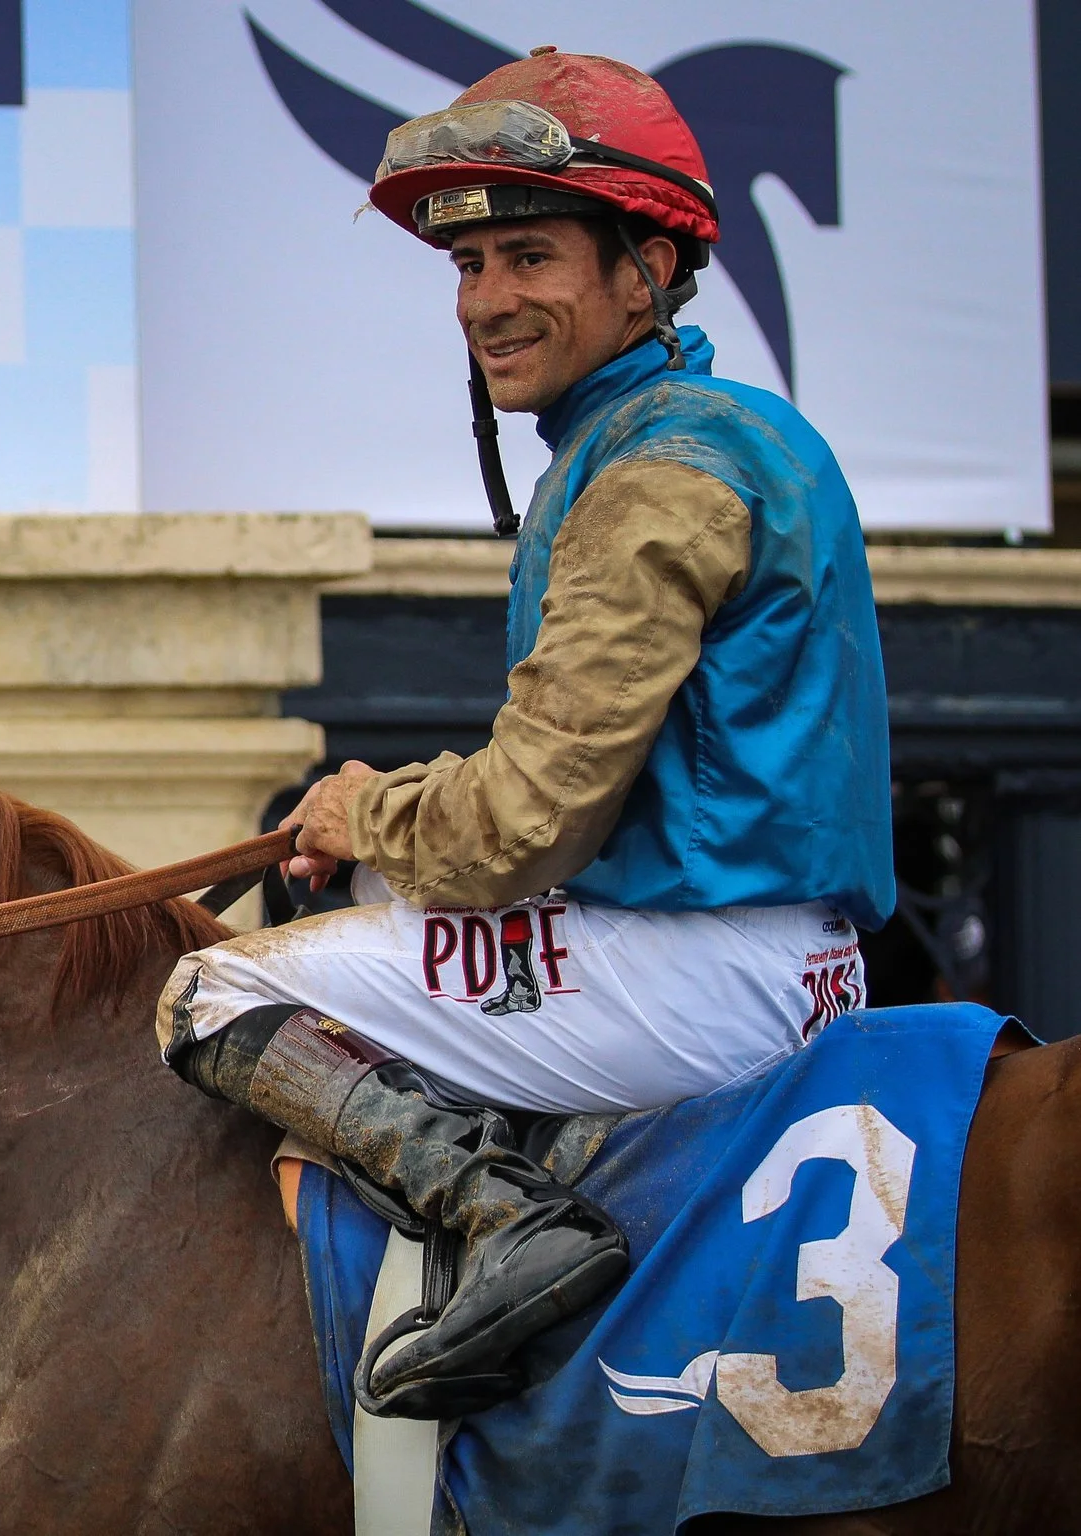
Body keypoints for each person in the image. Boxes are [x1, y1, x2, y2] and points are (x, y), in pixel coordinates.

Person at [156, 48, 890, 1421]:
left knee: (218, 992)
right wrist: (378, 809)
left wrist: (370, 812)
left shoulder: (664, 465)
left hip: (703, 970)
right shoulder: (690, 435)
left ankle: (513, 1226)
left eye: (530, 257)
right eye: (468, 267)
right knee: (376, 891)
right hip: (780, 961)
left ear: (649, 266)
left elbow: (529, 823)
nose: (487, 302)